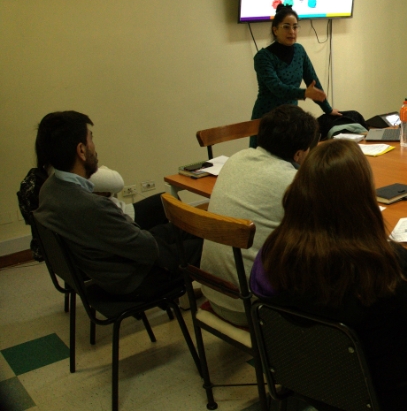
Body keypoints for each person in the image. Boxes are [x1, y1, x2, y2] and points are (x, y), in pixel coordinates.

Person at [250, 140, 407, 410]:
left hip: (306, 377)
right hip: (385, 392)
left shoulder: (274, 249)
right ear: (362, 197)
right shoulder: (384, 261)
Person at [33, 111, 202, 298]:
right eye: (91, 139)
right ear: (81, 150)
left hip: (110, 265)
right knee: (209, 246)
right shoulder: (92, 205)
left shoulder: (49, 188)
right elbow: (147, 249)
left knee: (191, 227)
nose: (94, 147)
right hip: (132, 277)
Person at [200, 105, 319, 326]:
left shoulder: (237, 158)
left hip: (214, 292)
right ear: (299, 154)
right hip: (253, 306)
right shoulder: (291, 183)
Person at [250, 4, 340, 147]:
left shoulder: (299, 51)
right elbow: (277, 88)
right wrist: (305, 93)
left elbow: (313, 81)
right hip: (267, 119)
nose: (292, 31)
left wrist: (328, 109)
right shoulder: (263, 57)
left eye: (295, 27)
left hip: (291, 119)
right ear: (275, 30)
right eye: (286, 27)